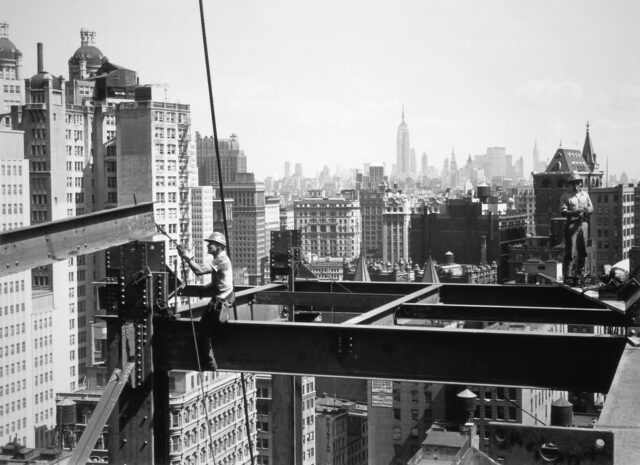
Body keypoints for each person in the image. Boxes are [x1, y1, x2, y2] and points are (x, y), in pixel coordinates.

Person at [177, 231, 234, 371]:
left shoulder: (221, 261)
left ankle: (209, 362)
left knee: (202, 331)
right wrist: (204, 290)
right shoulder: (223, 259)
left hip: (220, 302)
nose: (208, 246)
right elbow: (219, 283)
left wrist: (187, 257)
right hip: (224, 298)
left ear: (220, 246)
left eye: (211, 244)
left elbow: (198, 271)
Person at [560, 172, 593, 283]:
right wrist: (574, 212)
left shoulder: (585, 195)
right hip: (572, 225)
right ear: (570, 184)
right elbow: (563, 212)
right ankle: (567, 277)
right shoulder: (566, 196)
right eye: (573, 183)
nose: (575, 185)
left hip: (583, 225)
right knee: (570, 253)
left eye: (577, 183)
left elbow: (591, 208)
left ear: (580, 183)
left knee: (582, 252)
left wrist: (586, 210)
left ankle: (580, 275)